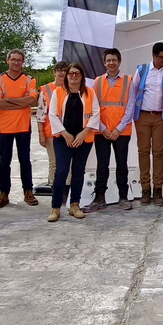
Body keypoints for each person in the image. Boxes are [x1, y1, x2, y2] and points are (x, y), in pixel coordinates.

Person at [47, 62, 100, 222]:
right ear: (66, 75)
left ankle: (75, 205)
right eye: (71, 73)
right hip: (64, 139)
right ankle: (55, 207)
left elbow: (96, 113)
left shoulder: (90, 92)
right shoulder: (58, 92)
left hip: (83, 139)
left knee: (78, 171)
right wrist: (65, 134)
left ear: (82, 76)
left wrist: (84, 133)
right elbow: (53, 115)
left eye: (77, 73)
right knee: (61, 172)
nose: (74, 76)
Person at [0, 49, 39, 209]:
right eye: (13, 59)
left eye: (19, 60)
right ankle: (4, 193)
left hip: (23, 125)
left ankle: (28, 191)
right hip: (4, 126)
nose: (16, 62)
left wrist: (8, 99)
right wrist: (20, 101)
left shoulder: (29, 79)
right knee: (5, 161)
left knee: (25, 160)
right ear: (7, 60)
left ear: (23, 62)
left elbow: (31, 100)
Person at [130, 42, 163, 205]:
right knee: (143, 151)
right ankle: (145, 189)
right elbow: (133, 92)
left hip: (161, 118)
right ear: (154, 56)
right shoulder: (142, 70)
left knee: (158, 152)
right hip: (142, 116)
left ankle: (158, 190)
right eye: (162, 57)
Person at [88, 48, 132, 212]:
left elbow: (130, 108)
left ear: (119, 62)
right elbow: (94, 108)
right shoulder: (97, 82)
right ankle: (100, 198)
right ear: (104, 63)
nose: (111, 63)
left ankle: (123, 197)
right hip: (102, 132)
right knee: (102, 166)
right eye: (108, 60)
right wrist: (104, 129)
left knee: (122, 165)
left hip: (121, 132)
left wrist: (118, 129)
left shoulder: (129, 81)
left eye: (114, 60)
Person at [35, 62, 68, 196]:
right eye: (59, 70)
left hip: (69, 134)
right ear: (54, 72)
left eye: (65, 71)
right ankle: (56, 191)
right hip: (51, 133)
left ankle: (67, 190)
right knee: (54, 163)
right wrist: (41, 133)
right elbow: (40, 114)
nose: (62, 73)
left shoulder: (72, 88)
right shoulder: (46, 89)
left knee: (68, 164)